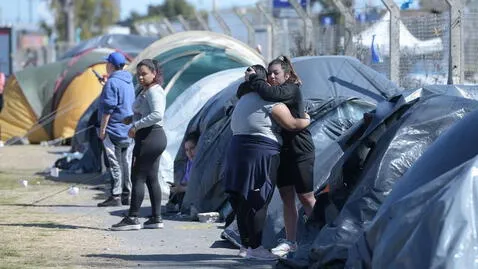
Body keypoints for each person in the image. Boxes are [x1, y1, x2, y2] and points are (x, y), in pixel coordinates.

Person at [225, 64, 311, 260]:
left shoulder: (242, 99)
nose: (272, 79)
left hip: (236, 148)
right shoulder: (270, 101)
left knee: (242, 201)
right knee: (259, 199)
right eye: (269, 76)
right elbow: (292, 124)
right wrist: (307, 119)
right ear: (263, 81)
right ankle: (256, 247)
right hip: (261, 151)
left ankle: (246, 246)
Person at [247, 55, 317, 258]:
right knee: (287, 196)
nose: (271, 76)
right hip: (282, 152)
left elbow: (270, 93)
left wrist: (255, 79)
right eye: (268, 73)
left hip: (301, 150)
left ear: (286, 75)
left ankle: (319, 238)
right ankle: (291, 241)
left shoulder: (291, 89)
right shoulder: (269, 91)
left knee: (306, 197)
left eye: (275, 73)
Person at [111, 58, 167, 231]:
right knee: (151, 178)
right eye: (138, 74)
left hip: (150, 138)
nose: (140, 77)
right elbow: (146, 112)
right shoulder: (147, 90)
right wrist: (132, 118)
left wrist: (136, 125)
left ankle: (133, 218)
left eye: (144, 74)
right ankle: (156, 218)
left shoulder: (153, 91)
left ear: (154, 73)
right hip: (153, 137)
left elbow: (157, 114)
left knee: (137, 177)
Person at [97, 52, 135, 207]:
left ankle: (115, 195)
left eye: (107, 63)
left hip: (113, 129)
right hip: (127, 129)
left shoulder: (111, 83)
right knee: (126, 163)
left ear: (111, 65)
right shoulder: (128, 81)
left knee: (114, 163)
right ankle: (127, 194)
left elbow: (108, 109)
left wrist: (102, 129)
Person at [166, 132, 199, 212]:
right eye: (187, 150)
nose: (189, 153)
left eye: (192, 148)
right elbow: (186, 182)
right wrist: (177, 186)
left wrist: (181, 189)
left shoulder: (201, 163)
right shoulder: (189, 163)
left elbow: (200, 188)